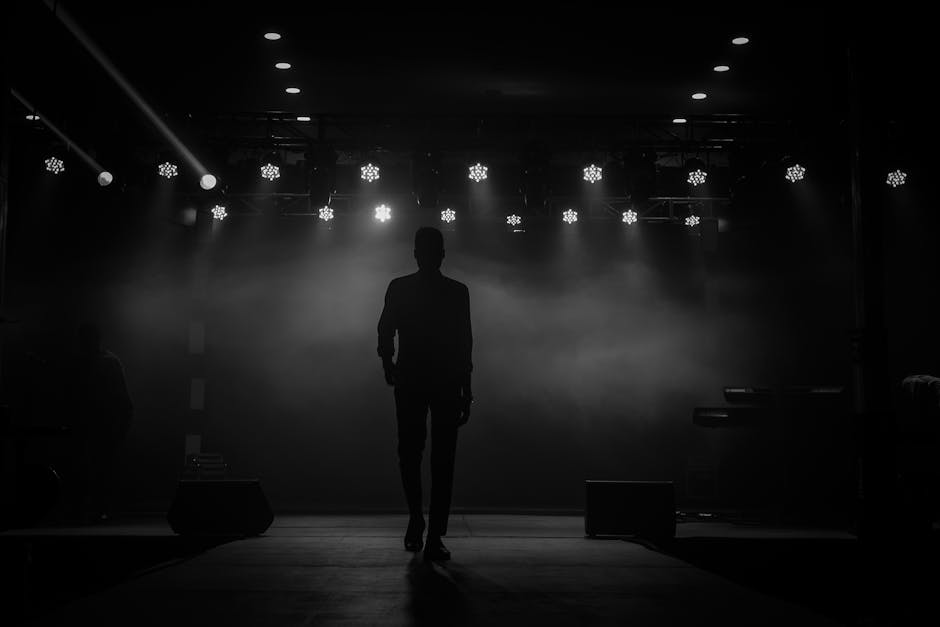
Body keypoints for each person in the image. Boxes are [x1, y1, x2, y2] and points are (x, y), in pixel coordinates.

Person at [378, 227, 473, 561]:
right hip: (442, 379)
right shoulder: (457, 292)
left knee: (411, 453)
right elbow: (464, 342)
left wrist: (388, 360)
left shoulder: (400, 288)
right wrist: (466, 388)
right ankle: (431, 532)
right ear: (441, 254)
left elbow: (385, 327)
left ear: (415, 253)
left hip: (413, 377)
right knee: (440, 458)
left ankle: (419, 522)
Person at [69, 322, 133, 523]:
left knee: (93, 467)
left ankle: (86, 509)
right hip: (100, 422)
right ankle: (96, 509)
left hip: (94, 422)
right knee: (99, 468)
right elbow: (123, 397)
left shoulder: (84, 362)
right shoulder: (108, 361)